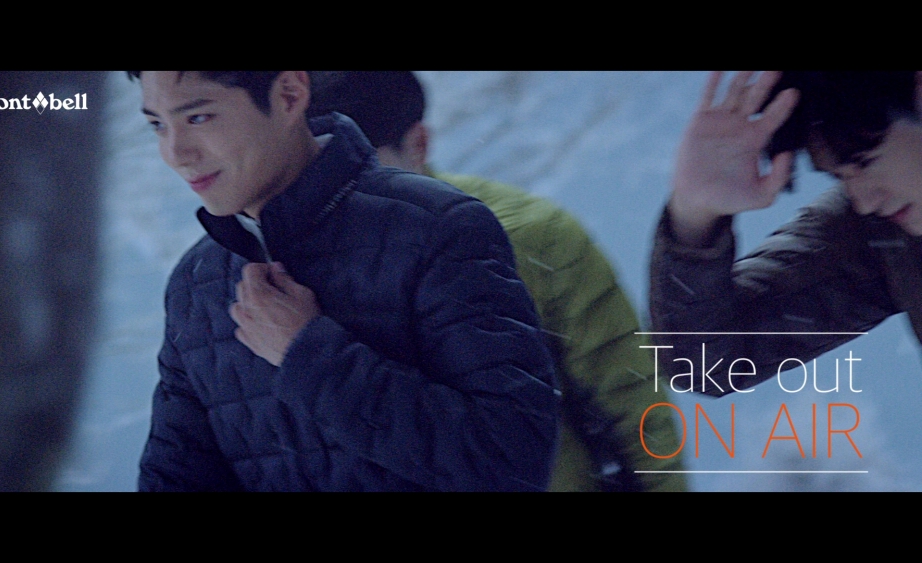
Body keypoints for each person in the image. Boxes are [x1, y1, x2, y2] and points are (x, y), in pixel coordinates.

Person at [130, 71, 559, 491]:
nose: (176, 153)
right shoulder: (195, 283)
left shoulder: (435, 229)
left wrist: (311, 356)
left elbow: (511, 461)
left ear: (289, 95)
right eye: (157, 125)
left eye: (198, 117)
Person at [309, 71, 686, 491]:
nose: (341, 199)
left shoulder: (532, 237)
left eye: (361, 171)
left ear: (418, 145)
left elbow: (633, 401)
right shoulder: (281, 273)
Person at [650, 71, 922, 396]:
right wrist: (694, 218)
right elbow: (707, 366)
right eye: (839, 176)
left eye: (864, 162)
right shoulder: (882, 235)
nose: (865, 202)